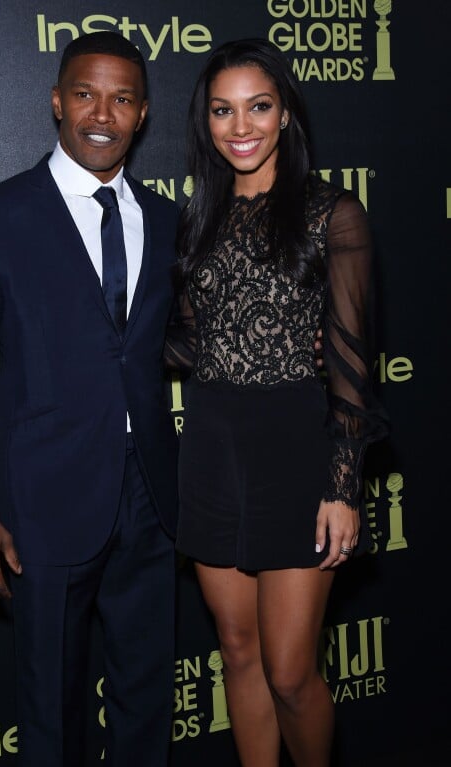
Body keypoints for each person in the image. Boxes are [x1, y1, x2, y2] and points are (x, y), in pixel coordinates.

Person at [0, 32, 180, 767]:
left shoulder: (168, 220)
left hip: (152, 498)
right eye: (85, 94)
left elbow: (191, 338)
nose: (101, 113)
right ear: (56, 102)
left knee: (147, 699)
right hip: (40, 505)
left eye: (122, 98)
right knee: (51, 708)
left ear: (141, 115)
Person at [173, 38, 389, 766]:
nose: (241, 126)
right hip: (211, 445)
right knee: (237, 649)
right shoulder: (196, 219)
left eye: (259, 107)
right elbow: (185, 343)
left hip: (297, 449)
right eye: (223, 110)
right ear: (205, 121)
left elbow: (355, 369)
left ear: (287, 114)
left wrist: (342, 485)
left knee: (292, 671)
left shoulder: (334, 214)